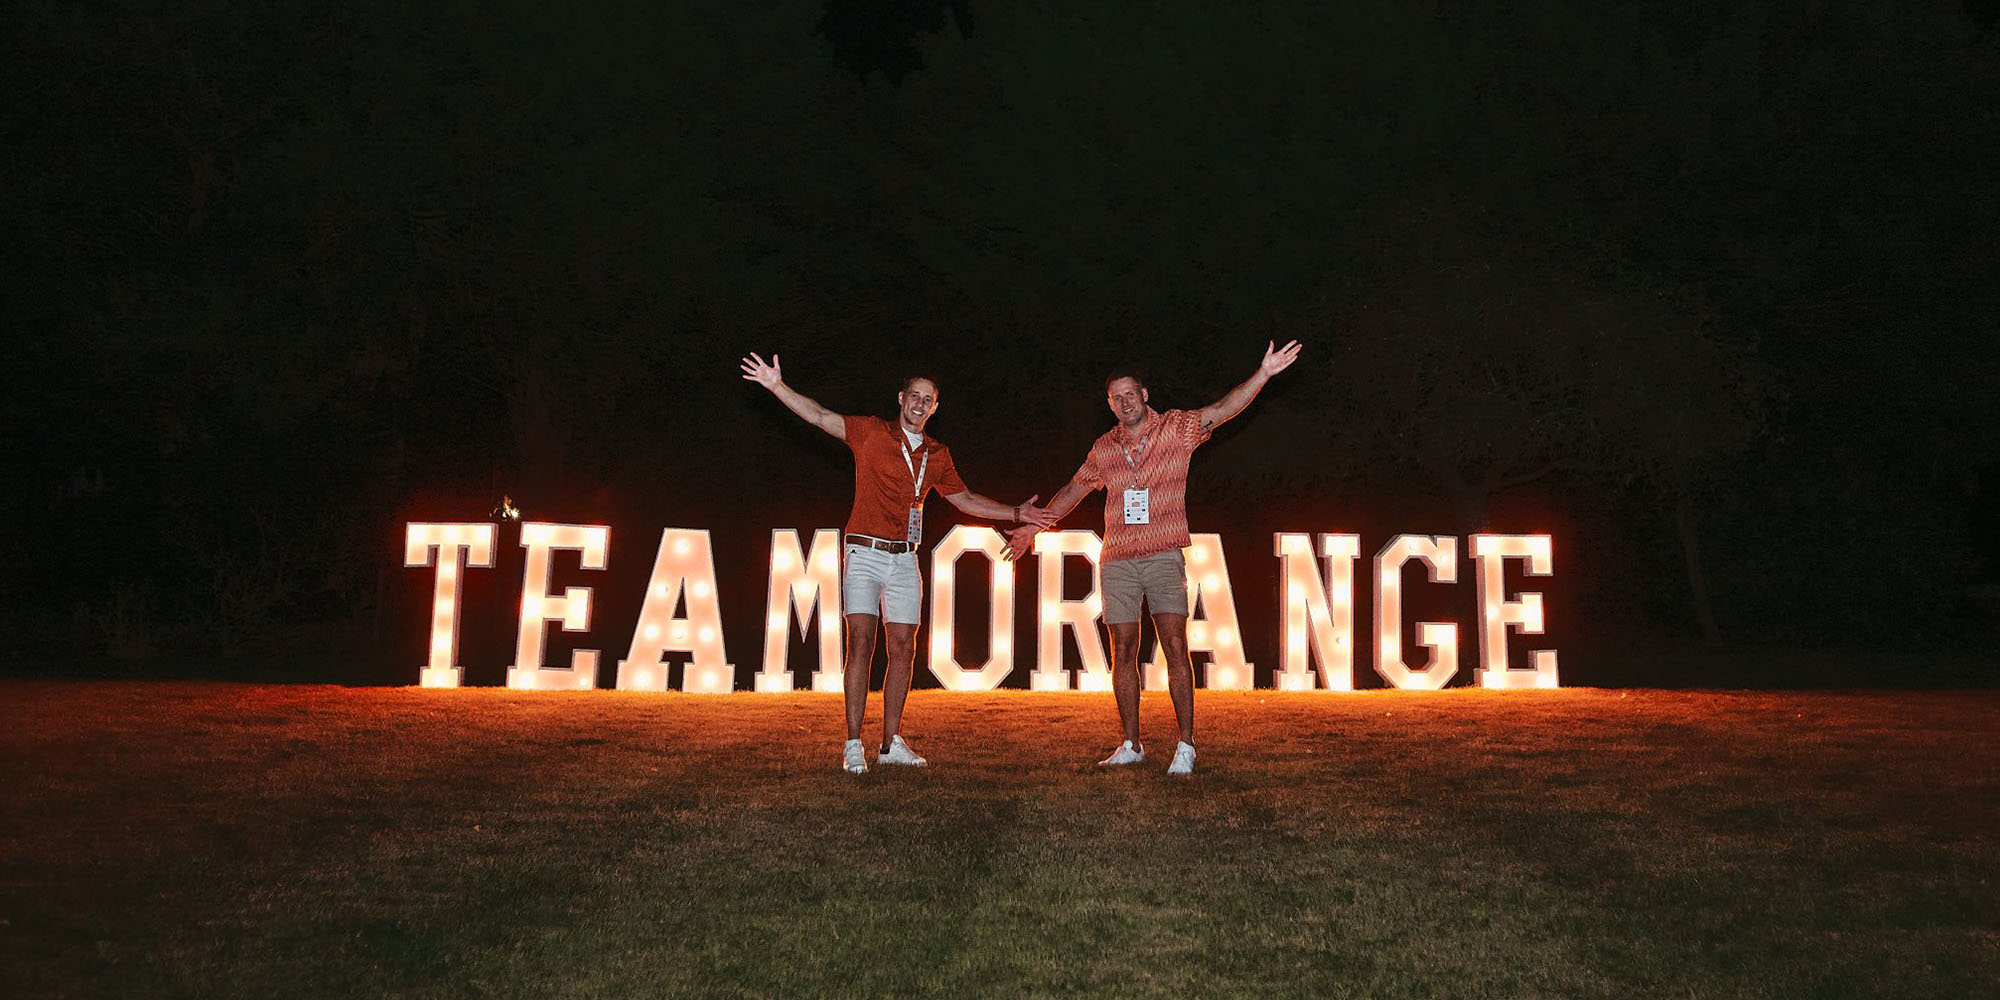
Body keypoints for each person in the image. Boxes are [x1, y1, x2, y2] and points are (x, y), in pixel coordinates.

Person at [741, 353, 1054, 774]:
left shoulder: (937, 454)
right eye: (915, 396)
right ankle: (853, 743)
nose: (920, 404)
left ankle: (891, 743)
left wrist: (1016, 513)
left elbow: (964, 499)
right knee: (862, 644)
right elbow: (818, 416)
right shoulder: (871, 433)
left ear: (935, 407)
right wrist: (777, 386)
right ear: (901, 398)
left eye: (929, 399)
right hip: (865, 553)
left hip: (905, 558)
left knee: (903, 649)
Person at [1005, 341, 1303, 775]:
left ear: (1145, 394)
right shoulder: (1104, 447)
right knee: (1122, 650)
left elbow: (1223, 408)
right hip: (1119, 559)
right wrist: (1033, 527)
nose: (1125, 403)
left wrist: (1263, 374)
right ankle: (1131, 742)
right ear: (1110, 404)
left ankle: (1186, 744)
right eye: (1116, 398)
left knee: (1175, 645)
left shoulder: (1177, 429)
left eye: (1131, 394)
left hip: (1164, 555)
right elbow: (1074, 489)